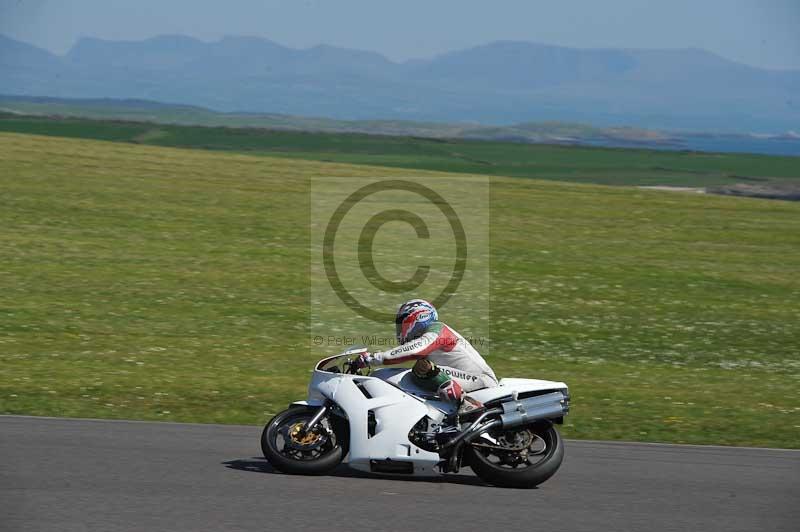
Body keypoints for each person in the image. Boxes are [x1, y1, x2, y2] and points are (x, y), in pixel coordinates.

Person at [357, 299, 497, 402]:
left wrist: (373, 358)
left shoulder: (438, 328)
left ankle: (468, 406)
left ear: (418, 317)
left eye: (403, 323)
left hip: (482, 381)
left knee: (422, 370)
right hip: (464, 379)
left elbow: (417, 349)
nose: (400, 329)